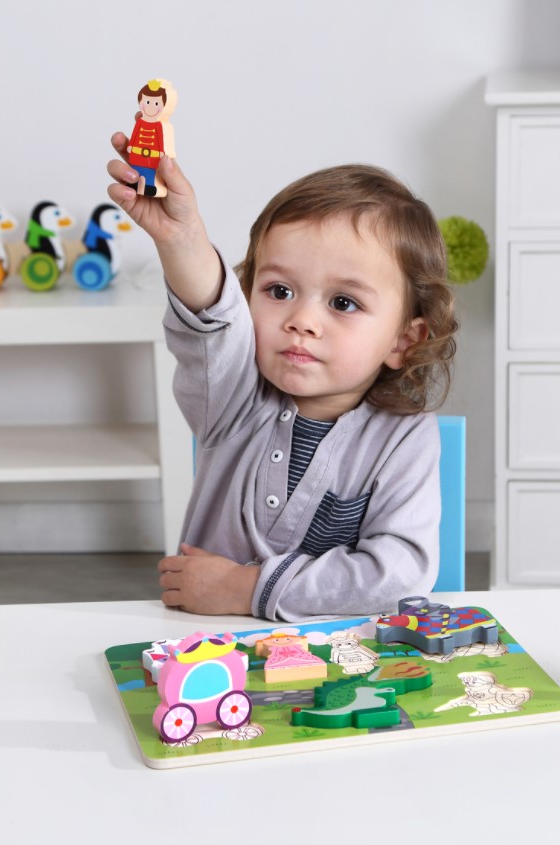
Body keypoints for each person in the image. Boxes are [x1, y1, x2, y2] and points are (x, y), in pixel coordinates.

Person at [106, 142, 458, 621]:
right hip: (210, 649)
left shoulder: (405, 437)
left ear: (403, 340)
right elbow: (211, 322)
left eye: (343, 303)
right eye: (279, 290)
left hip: (343, 656)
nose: (302, 320)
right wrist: (181, 239)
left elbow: (399, 576)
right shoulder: (230, 396)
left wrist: (243, 588)